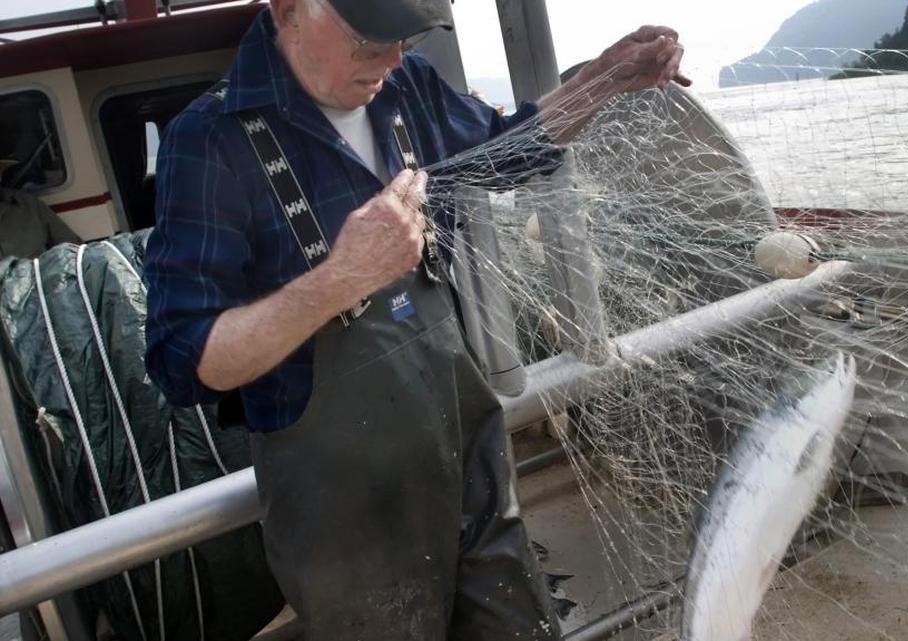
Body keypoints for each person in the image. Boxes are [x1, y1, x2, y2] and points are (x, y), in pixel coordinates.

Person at [143, 0, 688, 638]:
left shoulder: (406, 86)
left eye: (406, 36)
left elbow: (504, 151)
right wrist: (340, 278)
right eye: (370, 38)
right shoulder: (209, 140)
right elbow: (185, 360)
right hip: (348, 520)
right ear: (289, 9)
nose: (394, 58)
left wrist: (607, 77)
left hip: (465, 460)